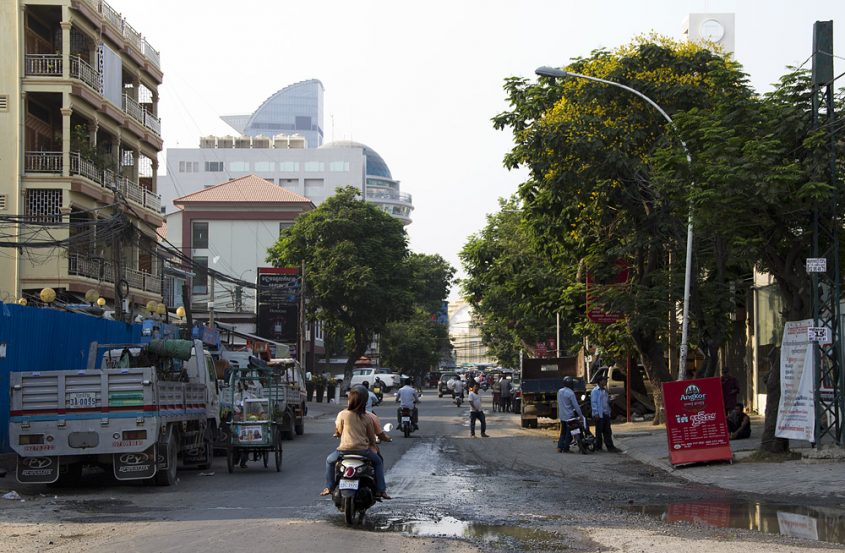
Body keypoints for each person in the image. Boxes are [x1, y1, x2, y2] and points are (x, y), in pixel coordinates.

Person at [321, 386, 391, 499]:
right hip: (363, 451)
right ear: (365, 401)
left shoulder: (342, 414)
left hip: (343, 451)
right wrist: (373, 443)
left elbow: (338, 430)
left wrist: (339, 434)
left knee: (329, 461)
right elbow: (371, 437)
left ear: (350, 400)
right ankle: (381, 490)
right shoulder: (367, 417)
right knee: (378, 462)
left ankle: (329, 487)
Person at [590, 375, 619, 452]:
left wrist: (611, 400)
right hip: (599, 414)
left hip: (606, 413)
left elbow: (606, 401)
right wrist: (596, 413)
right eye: (604, 380)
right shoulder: (595, 391)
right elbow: (594, 403)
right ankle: (598, 446)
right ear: (600, 381)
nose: (605, 382)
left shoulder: (605, 391)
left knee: (607, 431)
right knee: (599, 431)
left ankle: (610, 446)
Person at [556, 376, 584, 453]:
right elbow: (576, 406)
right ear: (570, 384)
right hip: (570, 417)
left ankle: (559, 447)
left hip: (562, 416)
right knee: (570, 434)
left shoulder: (559, 391)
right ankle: (565, 448)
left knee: (563, 432)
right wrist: (581, 416)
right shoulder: (571, 393)